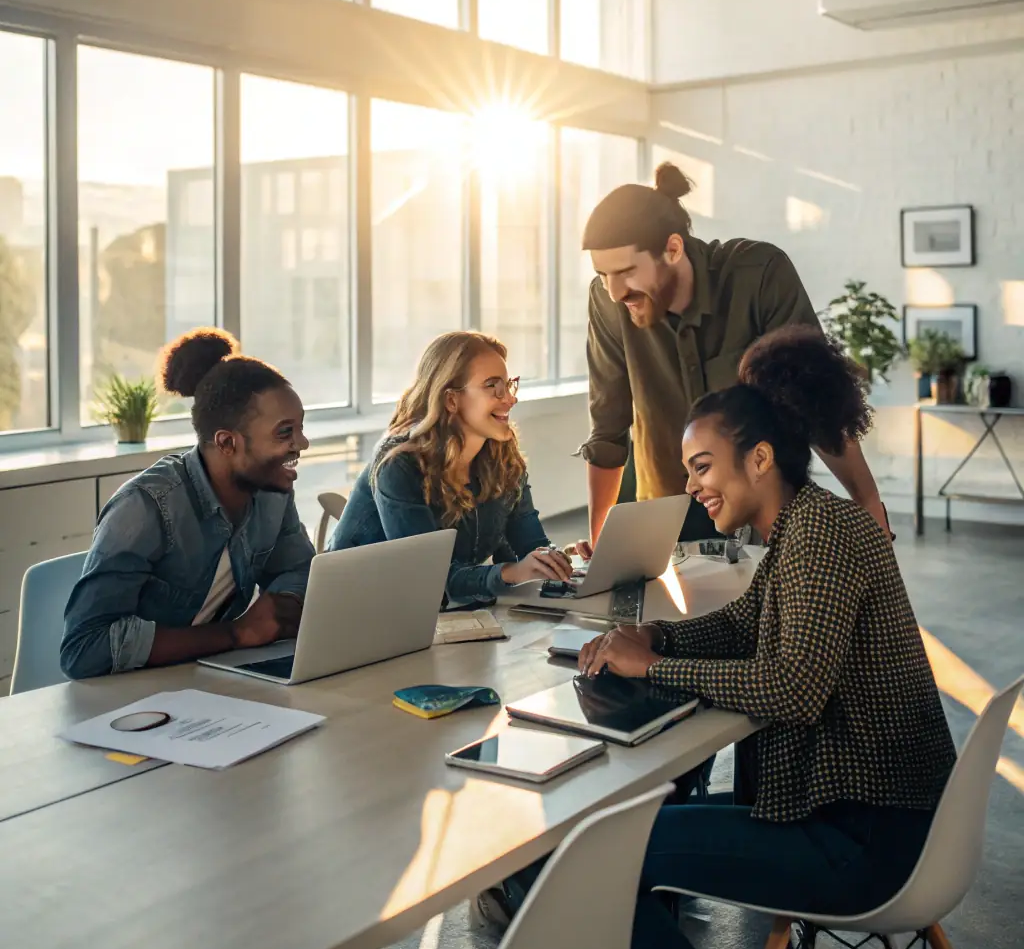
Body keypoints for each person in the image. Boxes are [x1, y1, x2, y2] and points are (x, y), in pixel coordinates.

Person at [569, 327, 956, 949]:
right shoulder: (805, 525)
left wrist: (653, 665)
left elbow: (793, 689)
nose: (692, 486)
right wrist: (658, 633)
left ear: (760, 457)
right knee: (616, 834)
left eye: (702, 467)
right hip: (858, 814)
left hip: (865, 838)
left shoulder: (821, 534)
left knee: (598, 856)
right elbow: (742, 625)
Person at [578, 161, 889, 547]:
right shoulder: (608, 304)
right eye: (602, 275)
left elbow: (815, 399)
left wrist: (867, 501)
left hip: (763, 514)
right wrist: (600, 543)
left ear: (672, 249)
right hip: (666, 514)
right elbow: (607, 428)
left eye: (625, 271)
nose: (614, 292)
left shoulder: (759, 276)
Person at [60, 329, 314, 679]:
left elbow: (300, 570)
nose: (302, 443)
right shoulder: (145, 507)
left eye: (300, 428)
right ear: (227, 443)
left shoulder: (273, 494)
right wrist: (236, 633)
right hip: (126, 694)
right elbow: (83, 649)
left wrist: (281, 606)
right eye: (285, 432)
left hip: (211, 680)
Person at [329, 331, 572, 604]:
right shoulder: (399, 464)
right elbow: (431, 577)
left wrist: (558, 560)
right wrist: (510, 572)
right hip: (358, 605)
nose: (510, 399)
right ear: (451, 400)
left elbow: (529, 545)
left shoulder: (502, 454)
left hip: (427, 611)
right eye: (492, 386)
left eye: (508, 385)